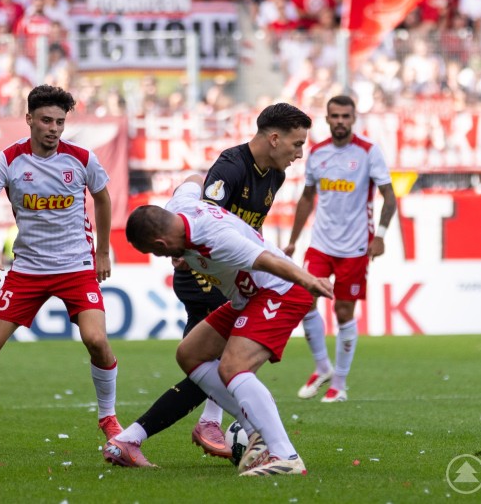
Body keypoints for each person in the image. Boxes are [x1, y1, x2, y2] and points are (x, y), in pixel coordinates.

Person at [104, 103, 313, 465]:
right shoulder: (230, 168)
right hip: (205, 274)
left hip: (232, 270)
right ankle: (241, 432)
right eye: (297, 144)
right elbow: (212, 227)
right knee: (222, 364)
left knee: (199, 359)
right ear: (275, 138)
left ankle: (152, 434)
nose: (300, 153)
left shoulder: (274, 175)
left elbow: (237, 228)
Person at [0, 84, 122, 454]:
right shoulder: (9, 159)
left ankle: (109, 418)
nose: (53, 128)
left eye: (60, 122)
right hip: (28, 269)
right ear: (29, 119)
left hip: (75, 265)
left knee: (96, 340)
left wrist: (104, 252)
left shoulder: (81, 158)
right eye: (46, 120)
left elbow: (103, 198)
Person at [117, 175, 334, 476]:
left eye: (157, 252)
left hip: (279, 291)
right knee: (189, 354)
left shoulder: (215, 240)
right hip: (247, 297)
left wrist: (309, 281)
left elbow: (268, 260)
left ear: (160, 243)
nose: (162, 258)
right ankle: (255, 432)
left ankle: (285, 456)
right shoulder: (180, 205)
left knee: (233, 366)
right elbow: (194, 179)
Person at [284, 95, 397, 403]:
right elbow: (307, 199)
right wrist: (294, 240)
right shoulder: (317, 153)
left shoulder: (368, 152)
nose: (340, 121)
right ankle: (322, 367)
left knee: (344, 311)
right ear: (327, 118)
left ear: (353, 118)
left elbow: (389, 196)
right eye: (335, 116)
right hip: (320, 244)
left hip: (356, 246)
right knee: (304, 300)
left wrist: (382, 235)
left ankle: (340, 384)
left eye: (345, 116)